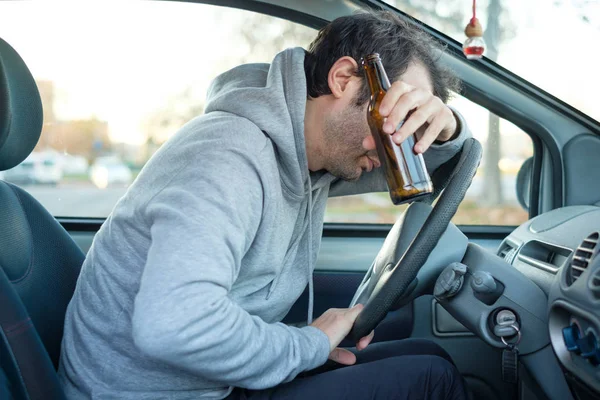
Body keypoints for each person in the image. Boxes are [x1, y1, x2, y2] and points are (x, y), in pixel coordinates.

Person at [58, 10, 471, 400]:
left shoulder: (314, 157)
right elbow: (173, 324)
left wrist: (446, 122)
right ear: (344, 79)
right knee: (432, 380)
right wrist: (307, 343)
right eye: (396, 115)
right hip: (149, 393)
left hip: (209, 383)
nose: (400, 141)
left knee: (429, 356)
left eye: (412, 121)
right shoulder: (228, 156)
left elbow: (439, 166)